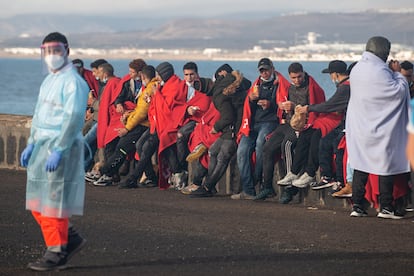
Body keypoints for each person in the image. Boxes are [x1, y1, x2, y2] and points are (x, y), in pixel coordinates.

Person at [20, 32, 88, 271]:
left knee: (53, 203)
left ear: (67, 51)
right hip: (42, 146)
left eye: (56, 50)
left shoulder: (74, 82)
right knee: (38, 202)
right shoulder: (49, 80)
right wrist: (31, 142)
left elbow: (73, 118)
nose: (52, 55)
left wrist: (59, 148)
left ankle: (56, 252)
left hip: (63, 146)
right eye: (47, 50)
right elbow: (39, 114)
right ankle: (69, 239)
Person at [346, 36, 410, 219]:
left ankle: (357, 205)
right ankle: (386, 207)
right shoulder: (381, 71)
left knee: (361, 164)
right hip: (382, 128)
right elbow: (397, 93)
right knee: (385, 166)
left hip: (360, 127)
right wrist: (398, 73)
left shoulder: (357, 69)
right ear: (383, 52)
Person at [258, 62, 325, 201]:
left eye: (299, 77)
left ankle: (290, 187)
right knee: (267, 148)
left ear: (303, 73)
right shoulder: (290, 88)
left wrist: (295, 106)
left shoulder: (312, 87)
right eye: (293, 78)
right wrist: (284, 107)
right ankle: (267, 187)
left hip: (303, 125)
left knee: (287, 145)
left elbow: (316, 106)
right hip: (288, 122)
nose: (297, 80)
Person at [286, 60, 350, 190]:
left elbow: (329, 105)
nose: (331, 78)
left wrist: (308, 108)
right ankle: (295, 172)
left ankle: (319, 175)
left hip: (344, 123)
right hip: (341, 119)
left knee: (321, 140)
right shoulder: (344, 86)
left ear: (336, 74)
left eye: (331, 74)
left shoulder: (345, 87)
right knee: (308, 136)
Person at [189, 64, 251, 198]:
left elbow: (228, 116)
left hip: (232, 131)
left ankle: (208, 186)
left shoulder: (219, 95)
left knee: (222, 157)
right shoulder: (233, 84)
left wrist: (216, 127)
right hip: (231, 129)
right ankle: (209, 187)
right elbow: (247, 83)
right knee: (213, 151)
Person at [233, 58, 290, 199]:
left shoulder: (280, 84)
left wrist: (270, 104)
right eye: (261, 70)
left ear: (272, 68)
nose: (264, 73)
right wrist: (251, 100)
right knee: (242, 150)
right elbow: (248, 109)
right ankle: (248, 189)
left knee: (260, 145)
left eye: (266, 70)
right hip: (254, 123)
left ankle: (256, 180)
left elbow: (282, 106)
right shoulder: (256, 85)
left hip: (270, 122)